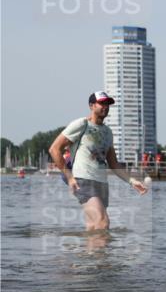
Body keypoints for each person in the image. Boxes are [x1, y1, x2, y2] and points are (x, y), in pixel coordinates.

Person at [47, 91, 148, 231]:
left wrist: (132, 181)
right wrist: (69, 177)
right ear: (91, 105)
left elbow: (113, 163)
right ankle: (102, 247)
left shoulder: (108, 132)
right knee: (102, 221)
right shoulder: (81, 124)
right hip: (82, 179)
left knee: (94, 226)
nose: (105, 107)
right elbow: (54, 149)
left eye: (107, 104)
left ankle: (88, 246)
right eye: (102, 103)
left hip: (101, 182)